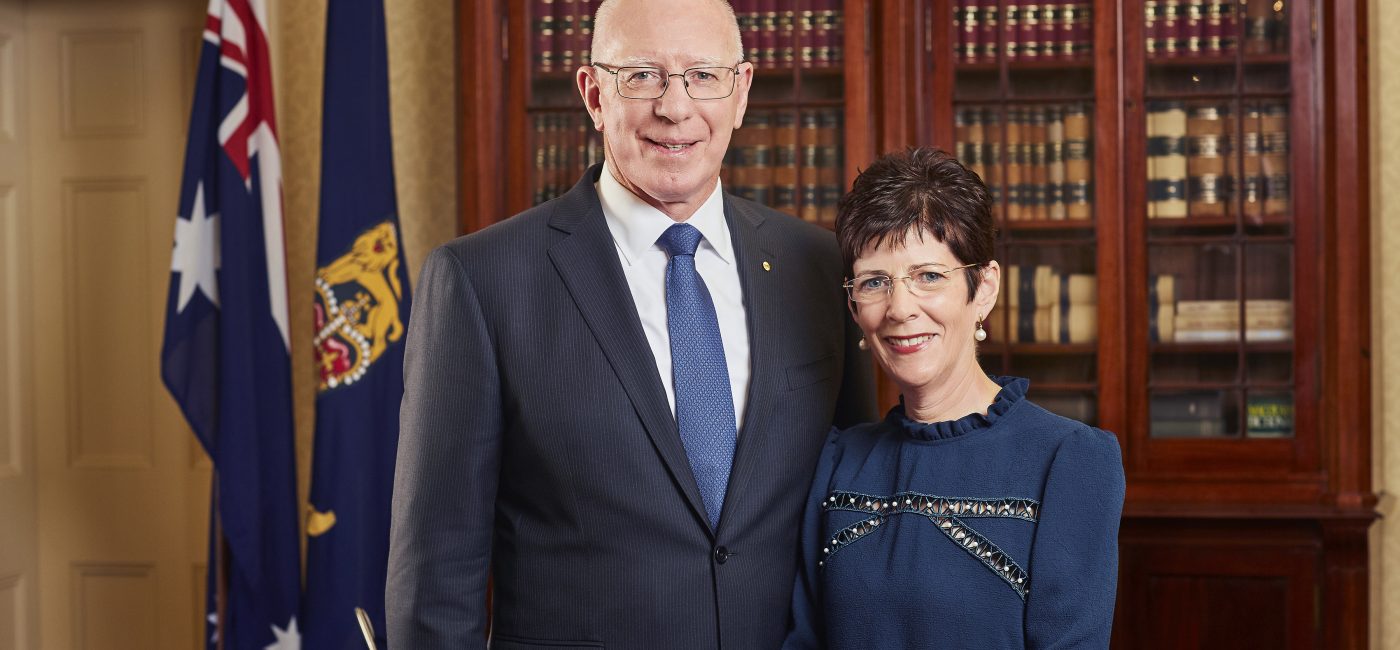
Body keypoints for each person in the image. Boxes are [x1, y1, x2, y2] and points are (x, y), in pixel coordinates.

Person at [386, 0, 876, 647]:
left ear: (741, 92)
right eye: (642, 75)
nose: (675, 108)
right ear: (594, 93)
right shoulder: (481, 282)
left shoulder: (817, 266)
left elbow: (855, 513)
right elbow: (437, 577)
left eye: (703, 75)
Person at [783, 148, 1125, 649]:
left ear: (983, 288)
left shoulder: (1070, 461)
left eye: (928, 276)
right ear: (854, 305)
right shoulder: (836, 461)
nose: (899, 309)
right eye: (875, 282)